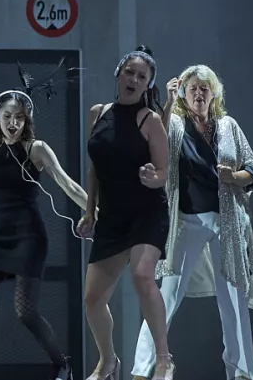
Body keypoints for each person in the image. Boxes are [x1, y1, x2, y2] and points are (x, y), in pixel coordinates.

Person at [0, 46, 87, 380]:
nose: (13, 123)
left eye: (19, 117)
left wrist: (97, 211)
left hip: (29, 238)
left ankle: (62, 365)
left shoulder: (36, 149)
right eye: (7, 116)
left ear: (27, 120)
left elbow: (68, 185)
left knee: (25, 313)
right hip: (0, 239)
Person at [131, 65, 253, 380]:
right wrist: (167, 104)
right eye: (193, 88)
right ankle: (142, 369)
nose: (199, 94)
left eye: (205, 88)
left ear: (214, 93)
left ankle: (242, 372)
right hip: (188, 221)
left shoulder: (228, 126)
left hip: (227, 222)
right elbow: (154, 142)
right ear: (182, 93)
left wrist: (234, 176)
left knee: (234, 297)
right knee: (167, 294)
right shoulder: (176, 123)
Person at [81, 45, 173, 380]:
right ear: (118, 75)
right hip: (111, 217)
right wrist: (89, 211)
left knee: (142, 275)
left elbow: (163, 172)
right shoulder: (98, 113)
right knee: (93, 299)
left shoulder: (150, 121)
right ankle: (108, 361)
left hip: (147, 212)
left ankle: (163, 359)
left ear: (148, 84)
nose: (134, 79)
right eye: (129, 72)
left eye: (142, 76)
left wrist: (152, 177)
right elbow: (96, 167)